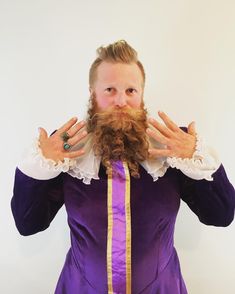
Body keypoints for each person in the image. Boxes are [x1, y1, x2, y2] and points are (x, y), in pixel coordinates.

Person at [11, 40, 235, 294]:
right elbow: (28, 224)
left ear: (141, 94)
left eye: (131, 91)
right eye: (109, 89)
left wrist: (195, 156)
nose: (121, 101)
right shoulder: (66, 147)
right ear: (92, 92)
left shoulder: (172, 147)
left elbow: (221, 215)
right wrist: (40, 168)